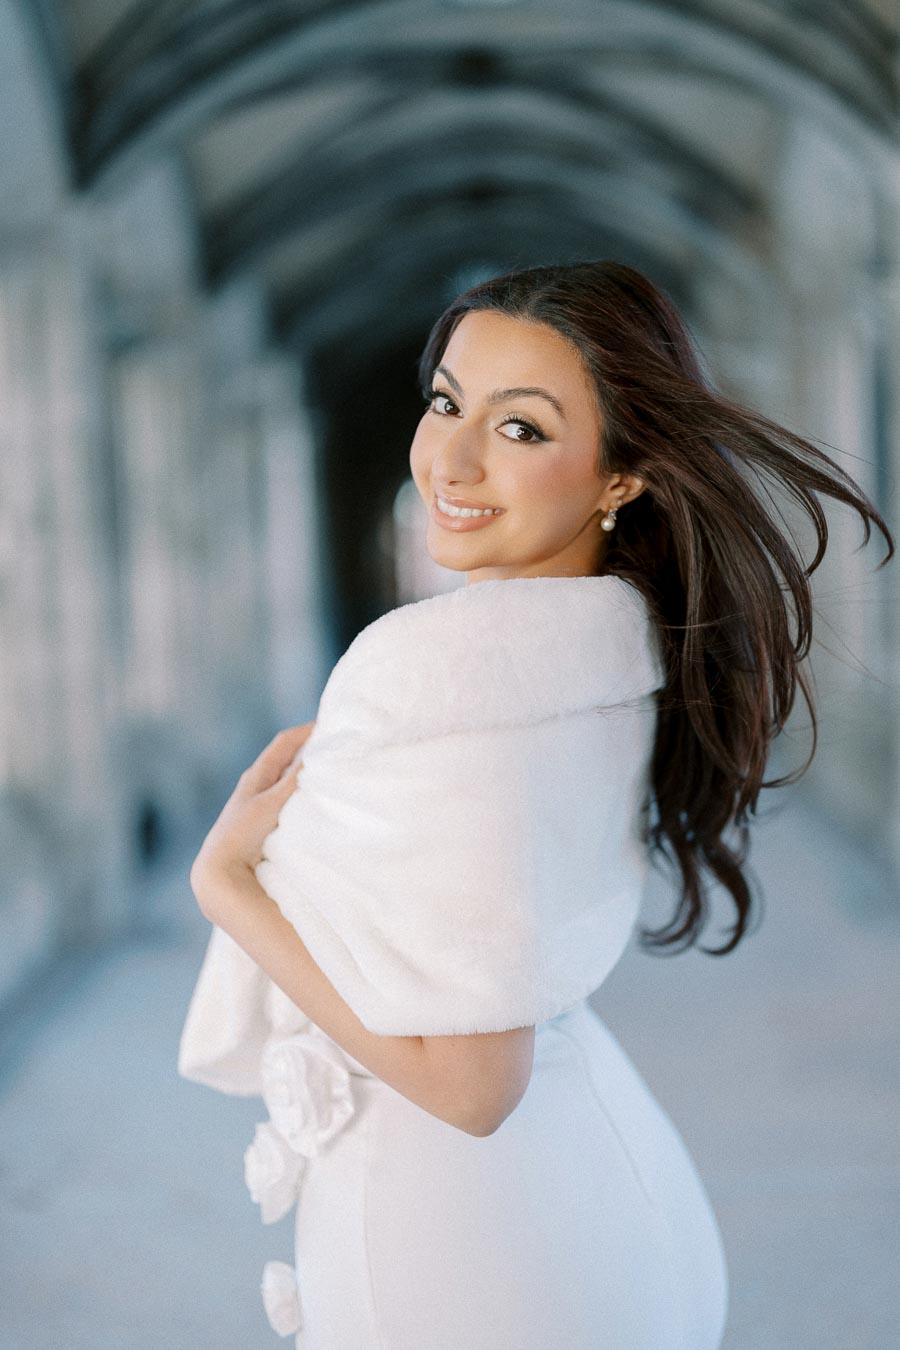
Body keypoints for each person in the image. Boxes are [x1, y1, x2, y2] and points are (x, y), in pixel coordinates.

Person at [179, 260, 894, 1349]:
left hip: (464, 1237)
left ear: (621, 478)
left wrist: (226, 885)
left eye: (520, 430)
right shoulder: (607, 645)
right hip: (583, 1194)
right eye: (446, 403)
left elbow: (471, 1085)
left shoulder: (446, 673)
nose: (450, 460)